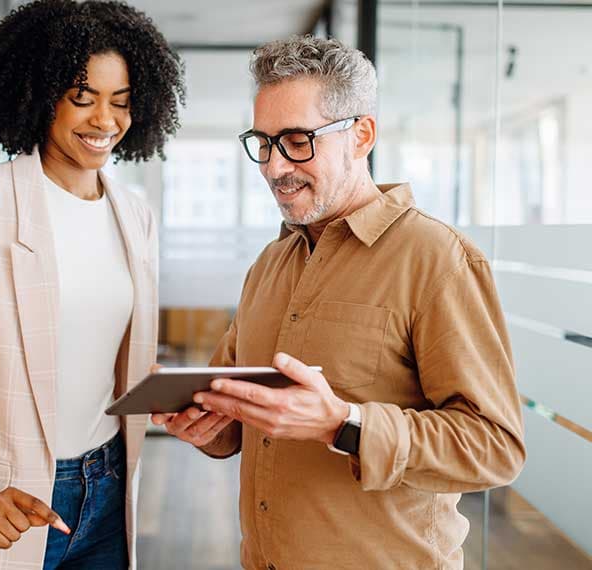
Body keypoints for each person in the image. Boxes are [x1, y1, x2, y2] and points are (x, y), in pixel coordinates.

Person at [153, 35, 525, 569]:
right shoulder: (269, 265)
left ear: (361, 135)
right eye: (264, 141)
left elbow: (495, 447)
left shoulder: (437, 259)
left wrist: (343, 424)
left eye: (298, 140)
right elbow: (237, 421)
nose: (275, 167)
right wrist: (205, 426)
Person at [0, 1, 184, 568]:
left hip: (110, 485)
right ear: (41, 95)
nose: (105, 121)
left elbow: (110, 358)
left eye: (120, 102)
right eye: (82, 97)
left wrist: (166, 391)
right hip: (5, 500)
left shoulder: (134, 214)